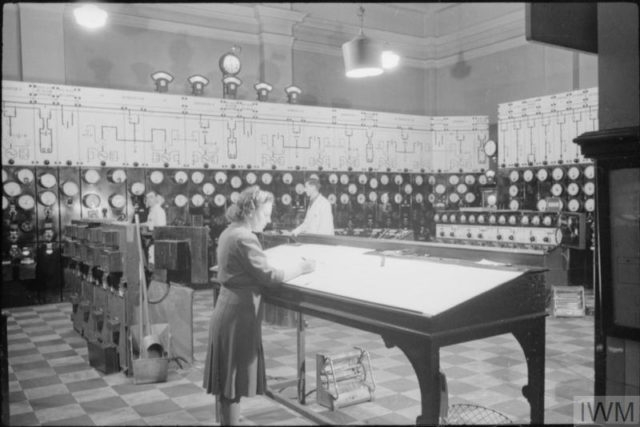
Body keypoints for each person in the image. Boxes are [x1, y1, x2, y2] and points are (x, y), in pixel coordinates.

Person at [203, 186, 315, 426]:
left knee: (228, 382)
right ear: (252, 211)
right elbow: (270, 277)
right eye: (266, 214)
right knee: (232, 382)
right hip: (237, 316)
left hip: (228, 309)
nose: (269, 219)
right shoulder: (244, 237)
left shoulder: (229, 232)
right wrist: (302, 268)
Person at [142, 191, 167, 267]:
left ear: (157, 198)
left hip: (156, 242)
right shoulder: (152, 211)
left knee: (153, 263)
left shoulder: (159, 211)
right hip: (151, 241)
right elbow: (149, 223)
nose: (149, 199)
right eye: (147, 198)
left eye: (151, 197)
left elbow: (160, 228)